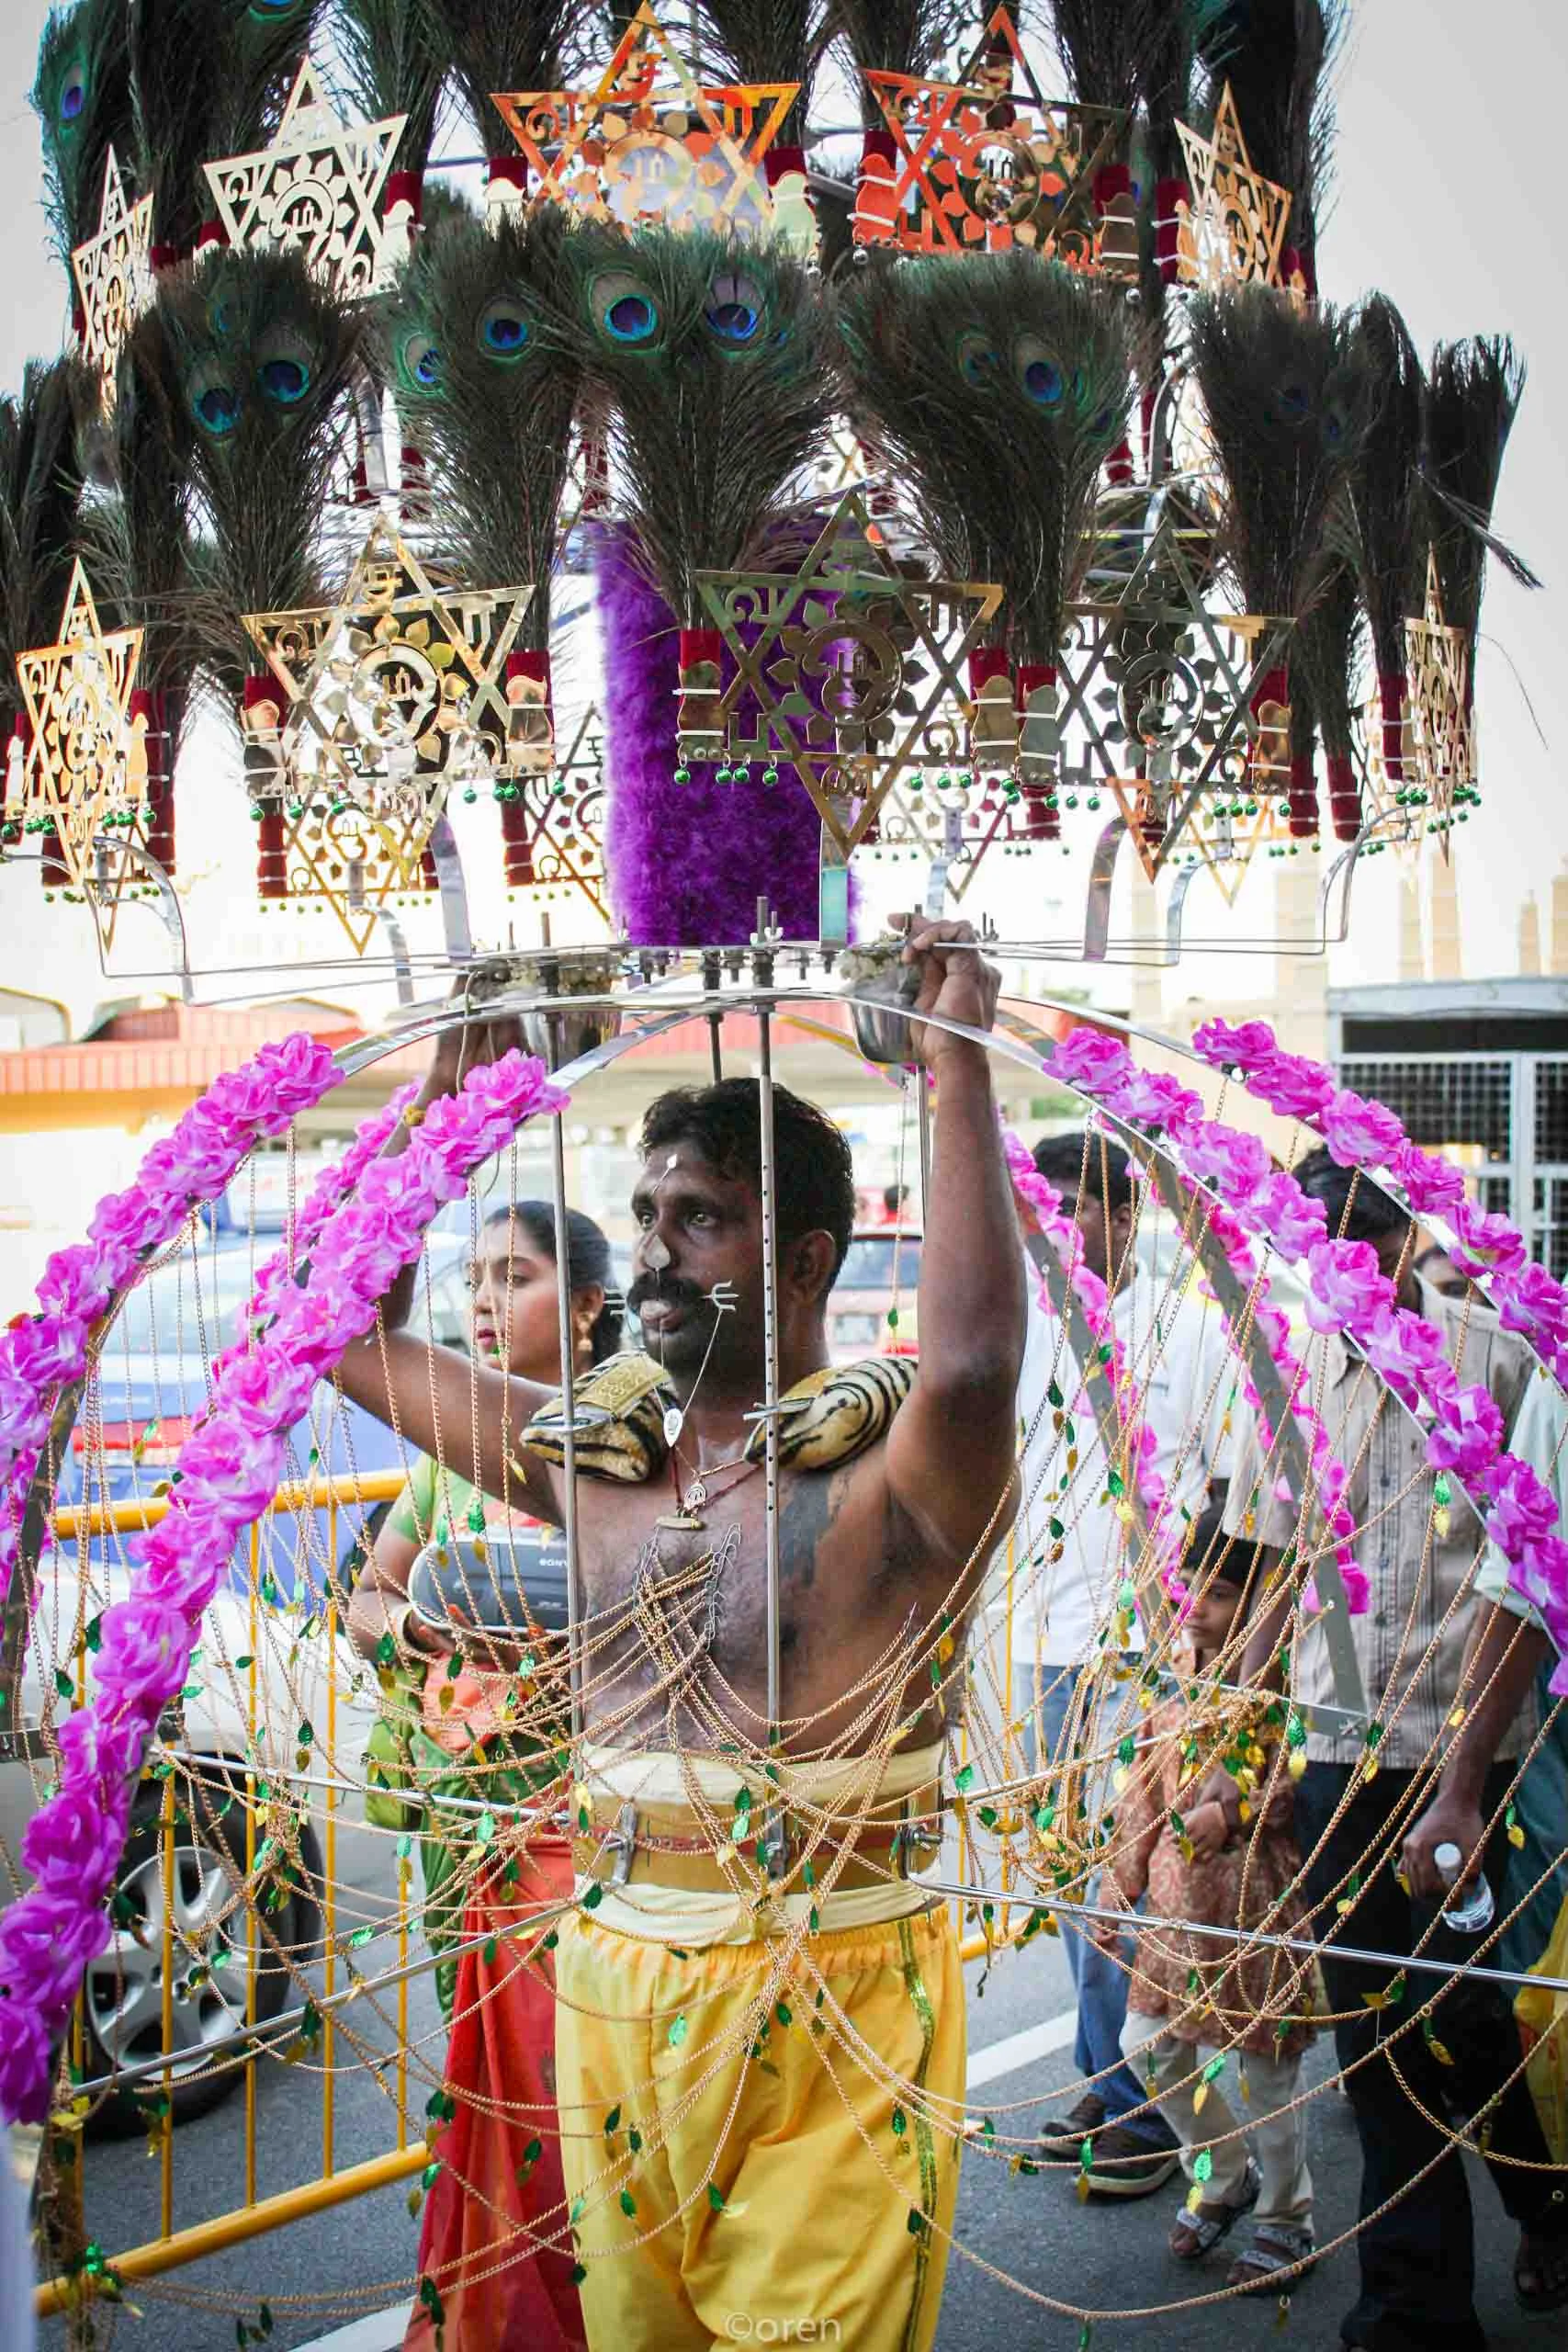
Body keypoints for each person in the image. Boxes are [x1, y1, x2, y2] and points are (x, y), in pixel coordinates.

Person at [335, 917, 1026, 2352]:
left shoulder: (899, 1474)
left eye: (697, 1219)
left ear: (807, 1259)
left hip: (834, 1991)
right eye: (645, 1214)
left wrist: (952, 1056)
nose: (651, 1252)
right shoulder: (585, 1463)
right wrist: (451, 1093)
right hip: (610, 1976)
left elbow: (969, 1362)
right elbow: (339, 1333)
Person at [1217, 1146, 1568, 2349]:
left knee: (1457, 2013)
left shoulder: (1496, 1359)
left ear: (1404, 1240)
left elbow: (1530, 1571)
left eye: (1361, 1242)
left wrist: (1471, 1770)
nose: (1341, 1270)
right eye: (1313, 1248)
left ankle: (1541, 2200)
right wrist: (1232, 1738)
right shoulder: (1283, 1370)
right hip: (1334, 1747)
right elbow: (1272, 1568)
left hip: (1468, 1752)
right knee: (1372, 2030)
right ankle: (1415, 2308)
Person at [349, 1200, 619, 2352]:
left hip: (594, 1842)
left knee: (585, 2104)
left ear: (590, 1305)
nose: (482, 1302)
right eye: (473, 1279)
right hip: (471, 1831)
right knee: (494, 2096)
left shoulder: (629, 1444)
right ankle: (492, 2314)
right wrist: (413, 1634)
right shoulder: (446, 1464)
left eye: (514, 1276)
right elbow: (369, 1597)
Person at [1018, 1130, 1235, 2195]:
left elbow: (1229, 1491)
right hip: (1043, 1644)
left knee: (1129, 1879)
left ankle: (1145, 2108)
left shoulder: (1188, 1332)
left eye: (1075, 1207)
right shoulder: (1021, 1327)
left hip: (1149, 1649)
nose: (1057, 1229)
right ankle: (1109, 2080)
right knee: (1072, 1876)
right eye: (1042, 1209)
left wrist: (1206, 1643)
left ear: (1124, 1216)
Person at [1106, 1509, 1315, 2292]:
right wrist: (1116, 1883)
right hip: (1173, 1908)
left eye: (1219, 1593)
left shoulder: (1283, 1685)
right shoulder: (1171, 1674)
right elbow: (1139, 1793)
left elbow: (1304, 1785)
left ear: (1260, 1604)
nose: (1194, 1605)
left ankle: (1287, 2218)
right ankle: (1225, 2173)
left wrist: (1234, 1812)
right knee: (1147, 2046)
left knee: (1265, 2077)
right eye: (1187, 1585)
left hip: (1251, 1905)